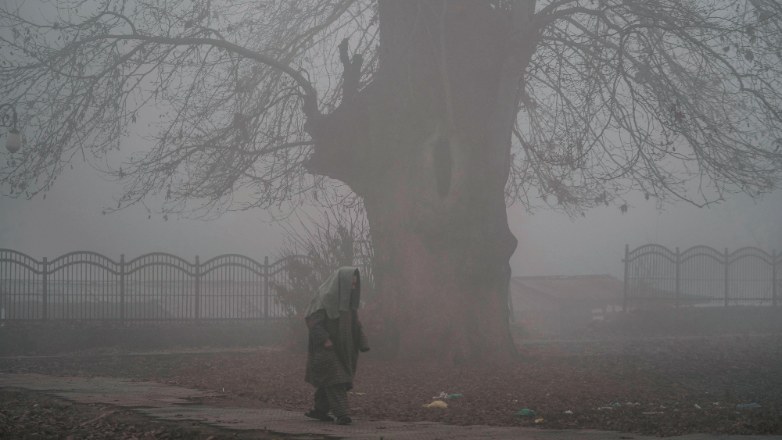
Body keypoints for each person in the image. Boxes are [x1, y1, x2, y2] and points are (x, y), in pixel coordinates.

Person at [303, 266, 370, 425]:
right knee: (336, 379)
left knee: (330, 380)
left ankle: (320, 411)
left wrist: (363, 342)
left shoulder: (349, 303)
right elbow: (313, 322)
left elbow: (356, 325)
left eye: (355, 283)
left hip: (344, 350)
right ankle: (342, 415)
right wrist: (325, 340)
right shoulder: (323, 299)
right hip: (325, 350)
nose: (353, 286)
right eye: (351, 283)